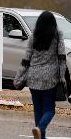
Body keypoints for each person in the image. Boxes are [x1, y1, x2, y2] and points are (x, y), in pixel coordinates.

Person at [14, 11, 67, 139]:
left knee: (38, 109)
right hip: (49, 79)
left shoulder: (33, 36)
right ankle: (40, 128)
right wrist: (62, 77)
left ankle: (40, 136)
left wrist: (19, 77)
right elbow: (61, 58)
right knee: (49, 110)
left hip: (33, 77)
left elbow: (26, 59)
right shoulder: (57, 35)